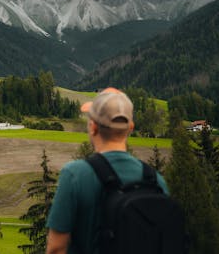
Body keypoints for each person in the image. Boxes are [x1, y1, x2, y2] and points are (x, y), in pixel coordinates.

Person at [45, 87, 169, 254]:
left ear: (93, 127)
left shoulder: (75, 175)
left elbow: (56, 248)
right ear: (130, 128)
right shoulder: (155, 180)